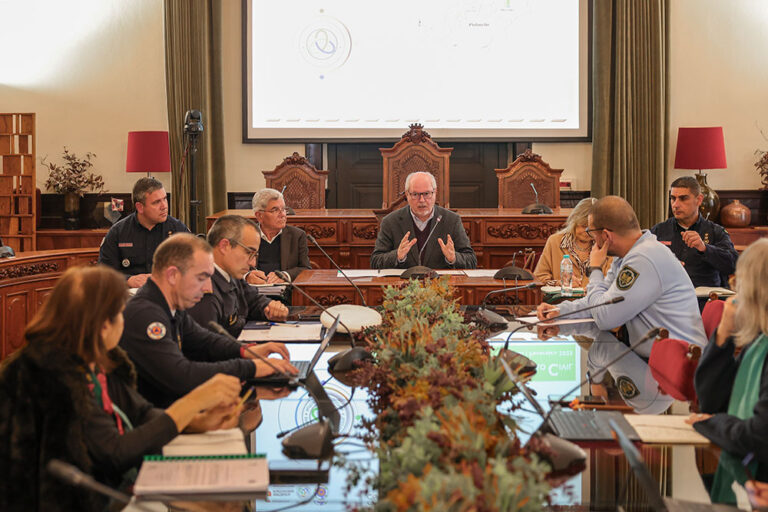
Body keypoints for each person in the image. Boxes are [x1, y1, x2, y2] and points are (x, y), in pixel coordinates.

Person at [0, 265, 244, 511]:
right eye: (119, 314)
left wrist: (195, 421)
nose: (123, 322)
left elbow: (141, 413)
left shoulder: (100, 359)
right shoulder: (51, 374)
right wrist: (192, 403)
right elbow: (114, 452)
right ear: (103, 324)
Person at [119, 233, 297, 408]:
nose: (207, 287)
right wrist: (252, 367)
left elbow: (205, 341)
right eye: (201, 278)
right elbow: (182, 375)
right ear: (173, 275)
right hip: (152, 422)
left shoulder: (168, 304)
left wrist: (247, 351)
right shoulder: (146, 315)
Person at [536, 195, 707, 357]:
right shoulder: (626, 256)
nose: (592, 240)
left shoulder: (643, 259)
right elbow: (598, 301)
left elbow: (605, 318)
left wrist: (595, 268)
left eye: (592, 233)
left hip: (680, 364)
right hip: (656, 357)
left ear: (606, 235)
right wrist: (560, 311)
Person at [688, 239, 768, 504]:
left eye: (738, 285)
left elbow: (758, 435)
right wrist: (724, 334)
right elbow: (713, 401)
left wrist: (710, 423)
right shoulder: (759, 340)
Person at [188, 215, 289, 338]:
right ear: (224, 246)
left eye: (255, 255)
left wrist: (269, 308)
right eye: (248, 253)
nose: (253, 263)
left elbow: (252, 300)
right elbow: (208, 349)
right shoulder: (202, 291)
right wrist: (247, 352)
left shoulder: (230, 273)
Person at [370, 171, 477, 269]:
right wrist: (397, 256)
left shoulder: (452, 220)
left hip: (440, 286)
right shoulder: (390, 221)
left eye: (426, 194)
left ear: (435, 193)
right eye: (415, 194)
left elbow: (471, 261)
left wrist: (453, 258)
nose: (421, 200)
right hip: (404, 286)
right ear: (407, 194)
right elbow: (375, 262)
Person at [650, 176, 738, 290]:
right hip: (669, 297)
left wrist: (705, 248)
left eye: (683, 198)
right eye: (673, 198)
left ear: (699, 200)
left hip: (704, 299)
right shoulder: (658, 231)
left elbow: (733, 265)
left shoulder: (715, 231)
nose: (675, 204)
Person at [99, 177, 189, 288]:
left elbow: (194, 266)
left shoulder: (178, 230)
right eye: (156, 202)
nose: (164, 206)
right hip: (130, 297)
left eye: (165, 199)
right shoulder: (118, 232)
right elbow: (104, 273)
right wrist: (128, 280)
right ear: (140, 207)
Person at [534, 197, 611, 287]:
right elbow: (538, 279)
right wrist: (560, 283)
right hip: (562, 299)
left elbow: (612, 282)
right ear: (574, 221)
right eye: (583, 226)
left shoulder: (606, 245)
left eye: (591, 229)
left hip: (594, 299)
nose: (586, 232)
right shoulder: (554, 241)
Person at [244, 188, 311, 285]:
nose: (283, 214)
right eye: (275, 210)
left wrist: (285, 275)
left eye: (283, 209)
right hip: (252, 293)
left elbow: (306, 269)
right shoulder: (245, 235)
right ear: (259, 215)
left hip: (286, 294)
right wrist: (247, 276)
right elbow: (231, 268)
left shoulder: (297, 236)